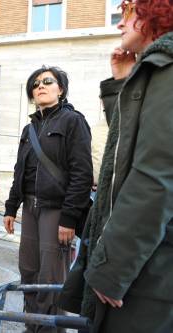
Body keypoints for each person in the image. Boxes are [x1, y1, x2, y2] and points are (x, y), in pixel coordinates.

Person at [60, 1, 173, 332]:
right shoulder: (156, 70)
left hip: (149, 272)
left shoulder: (167, 72)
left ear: (156, 15)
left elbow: (155, 180)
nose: (119, 26)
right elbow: (125, 147)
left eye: (128, 15)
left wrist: (113, 269)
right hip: (147, 264)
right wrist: (121, 85)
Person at [3, 66, 92, 332]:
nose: (40, 86)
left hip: (56, 210)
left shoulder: (73, 121)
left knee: (51, 277)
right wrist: (10, 207)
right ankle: (33, 325)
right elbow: (21, 171)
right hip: (30, 207)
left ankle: (51, 329)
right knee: (29, 271)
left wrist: (69, 217)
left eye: (47, 81)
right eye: (35, 84)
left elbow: (82, 173)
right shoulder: (29, 128)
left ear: (60, 89)